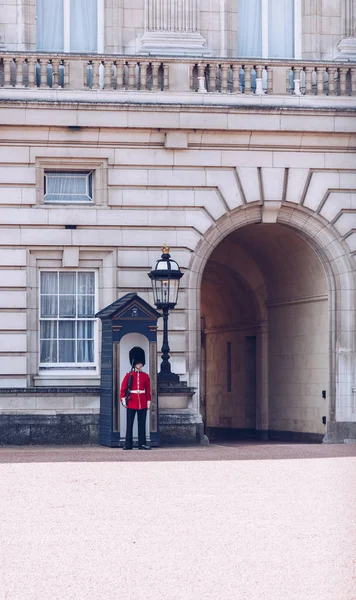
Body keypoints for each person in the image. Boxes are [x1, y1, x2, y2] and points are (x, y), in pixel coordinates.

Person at [120, 346, 151, 450]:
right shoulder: (129, 375)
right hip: (132, 402)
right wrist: (123, 400)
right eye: (138, 363)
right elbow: (123, 389)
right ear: (134, 363)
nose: (140, 365)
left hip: (142, 402)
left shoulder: (145, 376)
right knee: (129, 424)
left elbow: (148, 390)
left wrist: (148, 401)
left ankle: (142, 444)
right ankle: (128, 444)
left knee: (141, 424)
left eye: (141, 363)